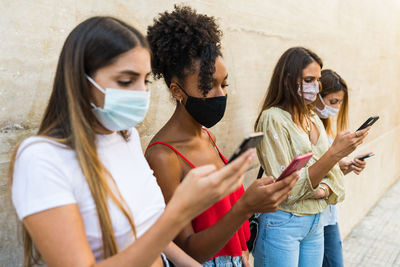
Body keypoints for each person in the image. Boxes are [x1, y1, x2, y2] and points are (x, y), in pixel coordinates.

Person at [10, 16, 256, 267]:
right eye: (126, 81)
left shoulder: (127, 137)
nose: (141, 93)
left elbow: (149, 234)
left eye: (146, 80)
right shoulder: (41, 158)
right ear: (81, 80)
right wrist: (179, 211)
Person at [145, 6, 298, 267]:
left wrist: (243, 253)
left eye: (224, 84)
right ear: (177, 91)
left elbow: (223, 214)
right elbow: (187, 251)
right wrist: (246, 207)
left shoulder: (207, 136)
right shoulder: (162, 155)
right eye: (208, 86)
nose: (221, 95)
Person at [252, 47, 370, 267]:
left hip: (315, 222)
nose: (315, 87)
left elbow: (334, 178)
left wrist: (322, 189)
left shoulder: (312, 118)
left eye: (318, 80)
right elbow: (288, 191)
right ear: (287, 80)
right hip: (284, 223)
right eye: (308, 80)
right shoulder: (273, 118)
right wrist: (335, 153)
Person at [315, 69, 370, 267]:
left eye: (339, 102)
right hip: (313, 215)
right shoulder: (305, 129)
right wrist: (336, 161)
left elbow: (327, 171)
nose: (336, 108)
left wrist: (345, 166)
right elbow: (310, 172)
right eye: (333, 101)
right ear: (317, 96)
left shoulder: (326, 128)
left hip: (329, 214)